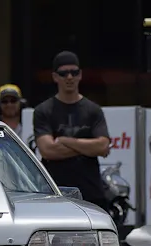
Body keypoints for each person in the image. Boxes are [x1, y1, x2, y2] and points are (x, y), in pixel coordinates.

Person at [32, 51, 111, 211]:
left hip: (91, 192)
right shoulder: (43, 111)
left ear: (80, 75)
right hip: (55, 192)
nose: (69, 77)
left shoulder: (93, 110)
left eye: (74, 72)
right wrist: (88, 148)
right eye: (63, 73)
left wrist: (65, 141)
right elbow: (48, 150)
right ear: (55, 77)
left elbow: (103, 147)